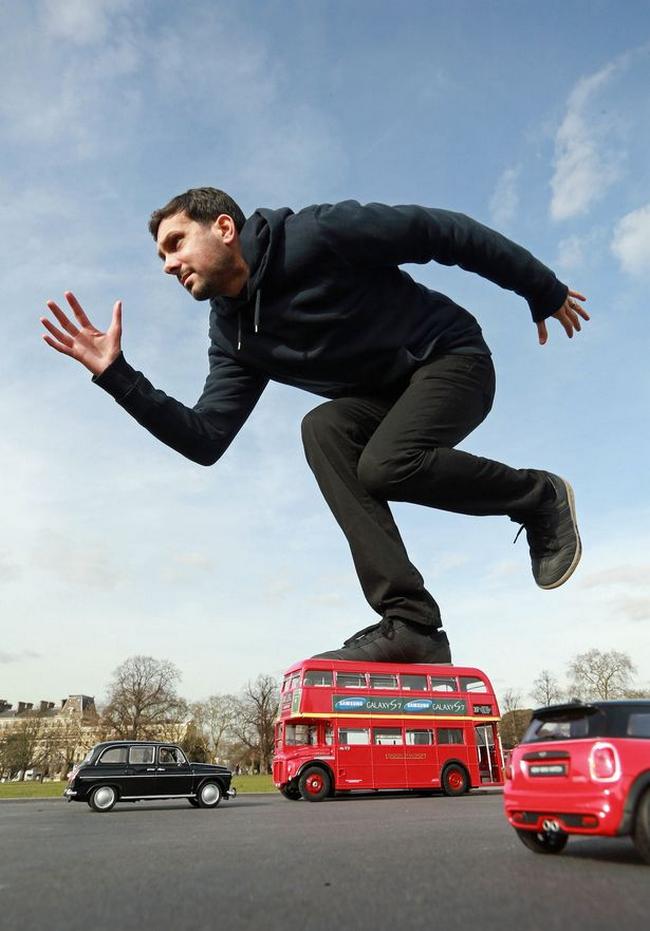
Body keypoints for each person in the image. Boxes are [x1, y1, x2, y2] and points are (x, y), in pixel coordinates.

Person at [41, 188, 589, 665]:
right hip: (384, 401)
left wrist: (540, 288)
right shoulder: (233, 336)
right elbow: (205, 439)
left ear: (224, 228)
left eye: (176, 243)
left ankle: (538, 497)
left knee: (384, 463)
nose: (167, 264)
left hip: (451, 359)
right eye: (162, 255)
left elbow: (439, 231)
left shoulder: (318, 234)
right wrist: (116, 375)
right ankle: (413, 626)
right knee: (323, 428)